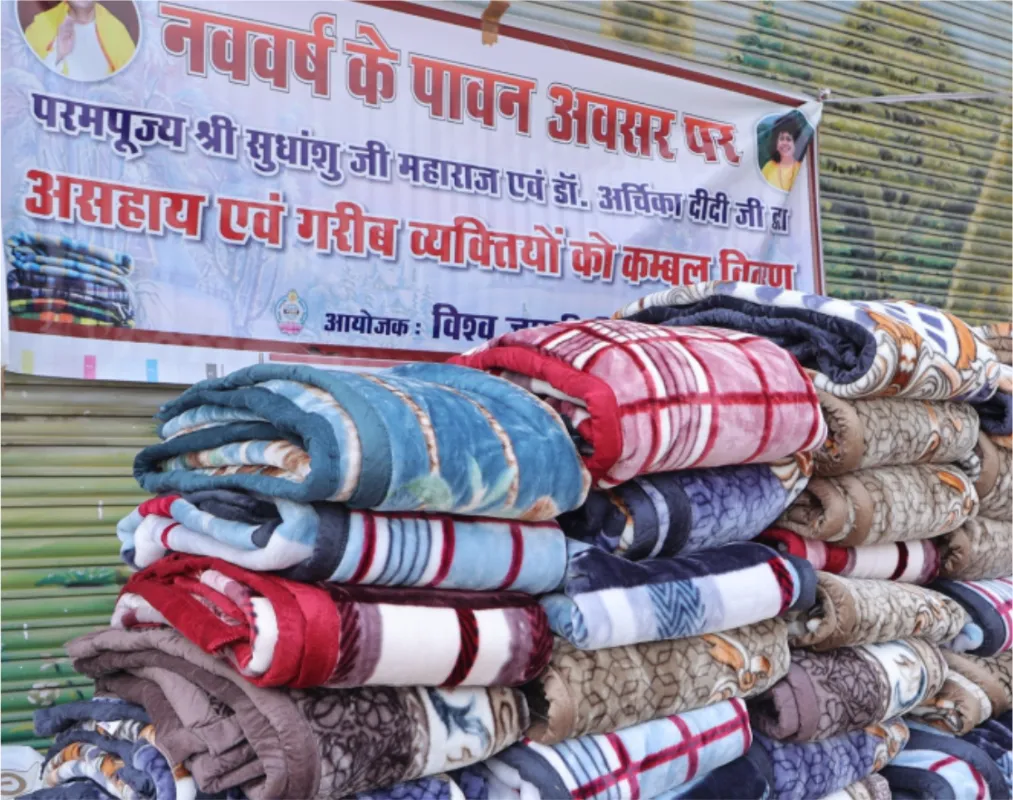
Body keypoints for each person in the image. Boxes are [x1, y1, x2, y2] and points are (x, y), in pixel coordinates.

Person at [24, 1, 135, 81]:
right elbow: (25, 86)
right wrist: (57, 55)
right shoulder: (38, 29)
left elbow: (131, 91)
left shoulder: (118, 34)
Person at [760, 116, 804, 192]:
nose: (784, 143)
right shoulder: (768, 166)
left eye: (788, 139)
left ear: (796, 143)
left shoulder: (801, 170)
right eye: (781, 139)